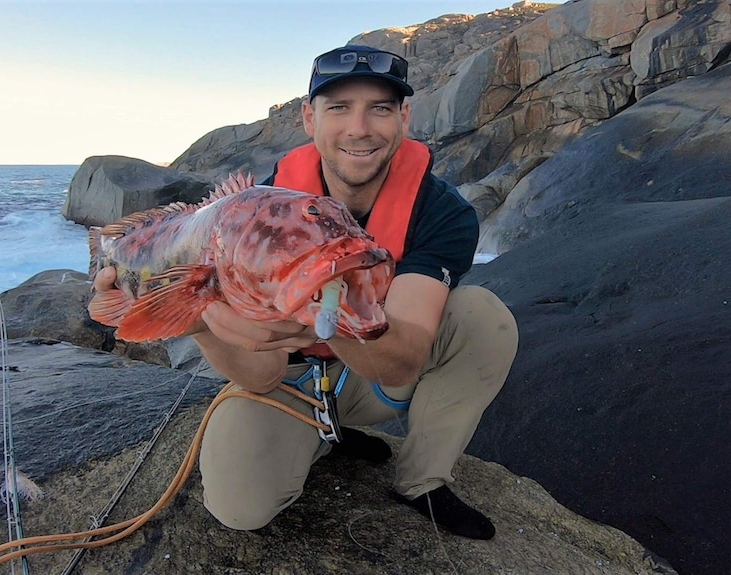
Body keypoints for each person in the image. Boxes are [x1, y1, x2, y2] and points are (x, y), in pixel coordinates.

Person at [93, 45, 518, 539]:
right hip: (289, 382)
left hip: (379, 378)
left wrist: (320, 311)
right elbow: (261, 374)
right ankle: (323, 432)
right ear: (308, 118)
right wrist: (197, 320)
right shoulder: (255, 215)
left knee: (481, 316)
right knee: (239, 505)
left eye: (380, 108)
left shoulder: (443, 213)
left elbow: (401, 363)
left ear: (404, 117)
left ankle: (420, 479)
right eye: (338, 107)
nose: (359, 128)